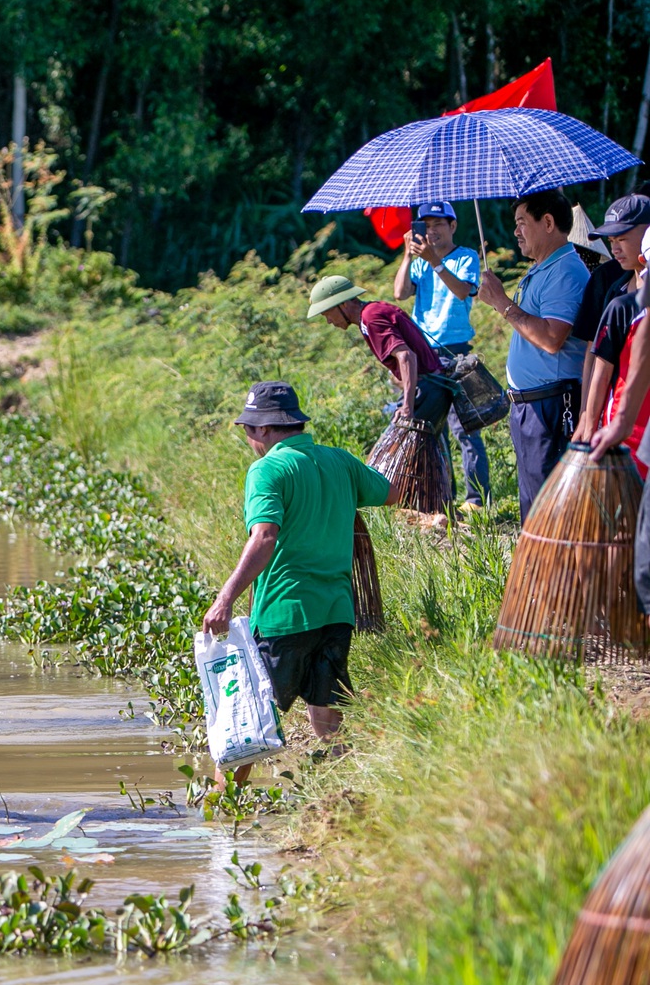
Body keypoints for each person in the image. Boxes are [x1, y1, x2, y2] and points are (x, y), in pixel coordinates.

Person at [201, 383, 394, 782]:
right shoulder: (339, 461)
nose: (249, 440)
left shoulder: (268, 469)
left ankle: (220, 819)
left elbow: (265, 536)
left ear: (266, 430)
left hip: (285, 613)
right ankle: (340, 794)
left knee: (249, 719)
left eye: (249, 430)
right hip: (337, 609)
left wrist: (225, 598)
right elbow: (390, 493)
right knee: (326, 709)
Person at [478, 190, 592, 519]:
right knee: (535, 504)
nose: (516, 232)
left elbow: (552, 337)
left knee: (552, 509)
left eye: (521, 223)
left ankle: (560, 571)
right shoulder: (542, 269)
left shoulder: (565, 272)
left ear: (548, 222)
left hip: (552, 405)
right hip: (532, 406)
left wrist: (502, 302)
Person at [393, 201, 489, 508]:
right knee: (432, 431)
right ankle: (441, 497)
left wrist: (435, 261)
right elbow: (400, 293)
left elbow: (463, 291)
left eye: (438, 225)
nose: (431, 231)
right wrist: (408, 256)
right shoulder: (420, 260)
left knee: (466, 430)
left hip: (456, 353)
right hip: (425, 355)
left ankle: (476, 499)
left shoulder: (466, 257)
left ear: (453, 226)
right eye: (425, 225)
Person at [307, 274, 458, 431]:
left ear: (343, 304)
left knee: (393, 451)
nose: (329, 321)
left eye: (327, 314)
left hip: (427, 389)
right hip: (430, 387)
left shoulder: (370, 318)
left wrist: (407, 406)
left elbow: (406, 355)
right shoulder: (371, 312)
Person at [574, 197, 650, 460]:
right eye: (611, 241)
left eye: (622, 238)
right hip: (623, 424)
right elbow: (597, 363)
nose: (615, 248)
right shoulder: (616, 297)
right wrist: (587, 418)